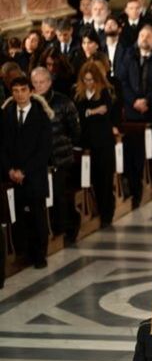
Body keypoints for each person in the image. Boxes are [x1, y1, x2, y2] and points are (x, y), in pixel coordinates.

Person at [0, 76, 53, 269]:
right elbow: (3, 146)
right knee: (18, 217)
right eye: (15, 91)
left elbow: (44, 150)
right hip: (13, 175)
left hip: (34, 176)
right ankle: (22, 253)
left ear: (30, 92)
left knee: (37, 216)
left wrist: (25, 171)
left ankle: (39, 255)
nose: (19, 94)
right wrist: (9, 170)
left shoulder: (41, 117)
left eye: (23, 90)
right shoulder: (6, 115)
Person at [121, 25, 152, 206]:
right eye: (142, 35)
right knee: (134, 150)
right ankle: (134, 185)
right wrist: (134, 101)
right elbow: (124, 82)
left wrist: (147, 101)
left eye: (149, 36)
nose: (144, 38)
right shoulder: (129, 58)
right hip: (134, 112)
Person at [30, 67, 79, 245]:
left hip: (60, 157)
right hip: (39, 159)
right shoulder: (30, 102)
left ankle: (65, 230)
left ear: (49, 82)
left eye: (42, 82)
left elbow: (75, 130)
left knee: (60, 195)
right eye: (35, 82)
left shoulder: (63, 102)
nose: (38, 85)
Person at [74, 61, 118, 228]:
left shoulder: (105, 92)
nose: (89, 82)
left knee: (104, 178)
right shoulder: (79, 94)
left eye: (91, 79)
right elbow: (79, 114)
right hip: (87, 142)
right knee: (90, 178)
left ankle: (107, 214)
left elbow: (105, 112)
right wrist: (93, 111)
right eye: (86, 79)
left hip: (104, 142)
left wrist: (89, 113)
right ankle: (94, 210)